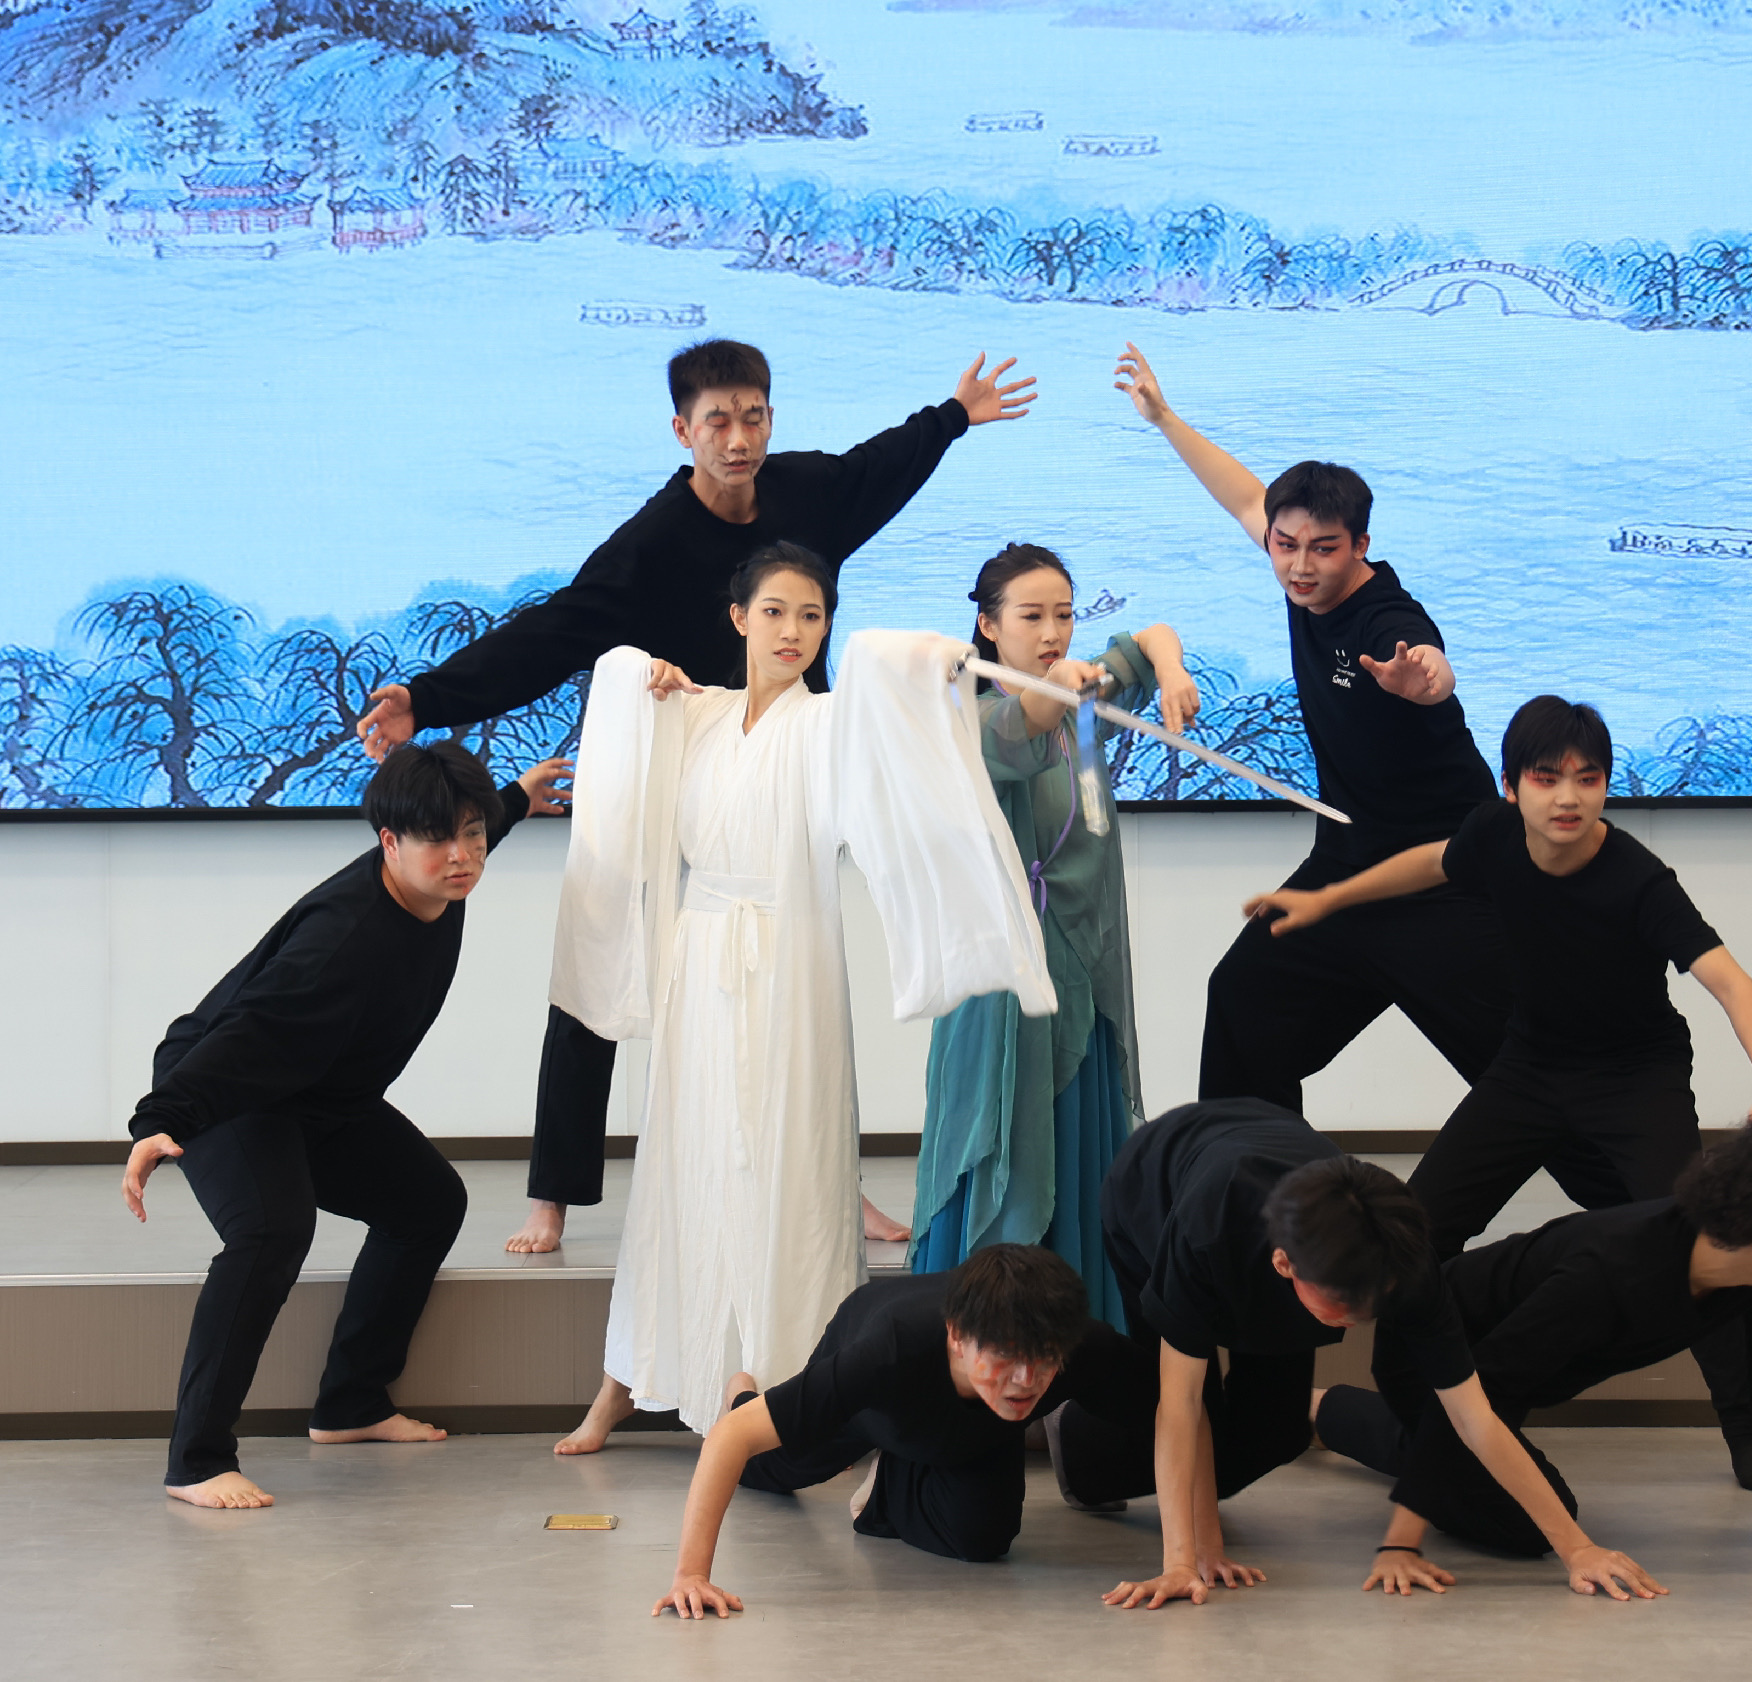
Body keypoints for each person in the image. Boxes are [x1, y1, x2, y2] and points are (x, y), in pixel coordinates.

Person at [356, 339, 1039, 1257]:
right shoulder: (653, 542)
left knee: (800, 974)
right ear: (683, 431)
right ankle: (553, 1196)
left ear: (770, 418)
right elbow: (552, 632)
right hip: (670, 766)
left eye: (753, 417)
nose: (738, 438)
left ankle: (833, 1187)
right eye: (717, 421)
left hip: (780, 767)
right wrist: (428, 697)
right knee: (597, 960)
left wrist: (953, 416)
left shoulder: (806, 494)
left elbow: (881, 469)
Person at [548, 545, 1057, 1453]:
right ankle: (630, 1375)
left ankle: (797, 1384)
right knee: (682, 1162)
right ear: (738, 618)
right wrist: (639, 684)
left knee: (789, 1162)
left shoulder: (830, 725)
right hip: (701, 956)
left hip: (793, 961)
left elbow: (895, 720)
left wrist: (924, 667)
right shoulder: (694, 714)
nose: (793, 632)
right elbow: (619, 709)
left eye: (813, 616)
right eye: (775, 612)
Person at [1244, 695, 1752, 1485]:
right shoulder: (1494, 835)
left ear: (1606, 785)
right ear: (1511, 788)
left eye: (1587, 778)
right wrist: (1328, 899)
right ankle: (1417, 1406)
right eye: (1547, 778)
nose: (1568, 797)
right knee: (1416, 1226)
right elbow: (1431, 862)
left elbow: (1730, 981)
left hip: (1634, 1079)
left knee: (1699, 1240)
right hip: (1530, 1069)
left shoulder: (1639, 880)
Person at [118, 741, 565, 1510]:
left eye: (473, 837)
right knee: (270, 1231)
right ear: (389, 842)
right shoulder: (342, 941)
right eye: (441, 840)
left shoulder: (444, 869)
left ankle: (352, 1403)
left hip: (324, 1097)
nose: (463, 857)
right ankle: (196, 1460)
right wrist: (161, 1120)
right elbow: (248, 1034)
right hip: (231, 1091)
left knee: (428, 1203)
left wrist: (517, 798)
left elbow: (477, 821)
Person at [1049, 1099, 1666, 1608]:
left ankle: (1236, 1468)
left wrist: (1577, 1548)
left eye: (1367, 1307)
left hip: (1269, 1172)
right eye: (1339, 1305)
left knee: (1275, 1434)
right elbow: (1182, 1406)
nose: (1353, 1321)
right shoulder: (1205, 1233)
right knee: (1197, 1401)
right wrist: (1188, 1559)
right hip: (1153, 1189)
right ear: (1284, 1265)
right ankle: (1070, 1436)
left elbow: (1474, 1416)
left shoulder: (1400, 1258)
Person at [1111, 344, 1512, 1117]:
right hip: (1346, 865)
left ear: (1359, 546)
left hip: (1446, 876)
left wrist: (1423, 678)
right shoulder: (1295, 564)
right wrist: (1164, 419)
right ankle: (1253, 1186)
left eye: (1324, 549)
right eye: (1285, 545)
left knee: (1526, 1071)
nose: (1300, 567)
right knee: (1243, 1004)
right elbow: (1242, 496)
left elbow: (1431, 664)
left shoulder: (1386, 619)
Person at [1312, 1117, 1752, 1581]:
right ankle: (1320, 1410)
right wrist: (1400, 1544)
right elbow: (1476, 1402)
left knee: (1480, 1468)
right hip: (1432, 1363)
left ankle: (1386, 1436)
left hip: (1500, 1381)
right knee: (1525, 1526)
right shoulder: (1612, 1270)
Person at [908, 544, 1200, 1328]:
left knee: (1081, 1151)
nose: (1051, 632)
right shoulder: (969, 714)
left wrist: (1169, 671)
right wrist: (1062, 684)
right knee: (1002, 1150)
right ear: (987, 624)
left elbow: (1154, 636)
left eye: (1064, 616)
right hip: (1002, 977)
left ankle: (1076, 1343)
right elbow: (1023, 724)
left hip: (1081, 965)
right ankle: (989, 1335)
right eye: (1031, 616)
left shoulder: (1074, 687)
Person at [652, 1244, 1156, 1617]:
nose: (1026, 1380)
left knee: (982, 1540)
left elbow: (1177, 1412)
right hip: (876, 1399)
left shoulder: (1079, 1344)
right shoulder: (885, 1351)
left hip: (969, 1424)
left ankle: (891, 1483)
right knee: (769, 1470)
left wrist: (1186, 1559)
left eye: (1044, 1359)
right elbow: (731, 1438)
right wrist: (691, 1575)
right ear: (957, 1337)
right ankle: (742, 1393)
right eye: (1005, 1357)